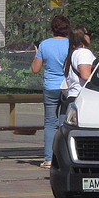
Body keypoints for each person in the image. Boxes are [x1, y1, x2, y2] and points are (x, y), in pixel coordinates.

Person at [31, 14, 70, 168]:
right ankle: (64, 158)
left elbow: (35, 69)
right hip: (67, 87)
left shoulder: (45, 45)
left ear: (52, 28)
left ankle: (49, 159)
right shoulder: (72, 44)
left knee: (49, 123)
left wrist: (37, 52)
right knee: (64, 123)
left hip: (50, 87)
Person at [62, 24, 96, 109]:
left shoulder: (72, 54)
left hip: (72, 97)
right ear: (83, 37)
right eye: (88, 34)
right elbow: (85, 76)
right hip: (81, 98)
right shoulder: (84, 53)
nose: (90, 37)